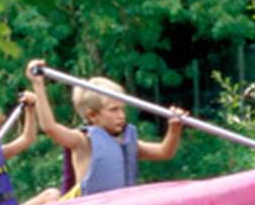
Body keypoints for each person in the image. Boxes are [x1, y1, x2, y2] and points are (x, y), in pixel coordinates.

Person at [26, 59, 184, 197]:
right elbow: (50, 127)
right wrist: (38, 84)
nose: (121, 115)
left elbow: (165, 152)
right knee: (53, 196)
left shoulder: (125, 141)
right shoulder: (82, 141)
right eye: (114, 110)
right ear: (93, 115)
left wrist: (174, 129)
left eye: (122, 109)